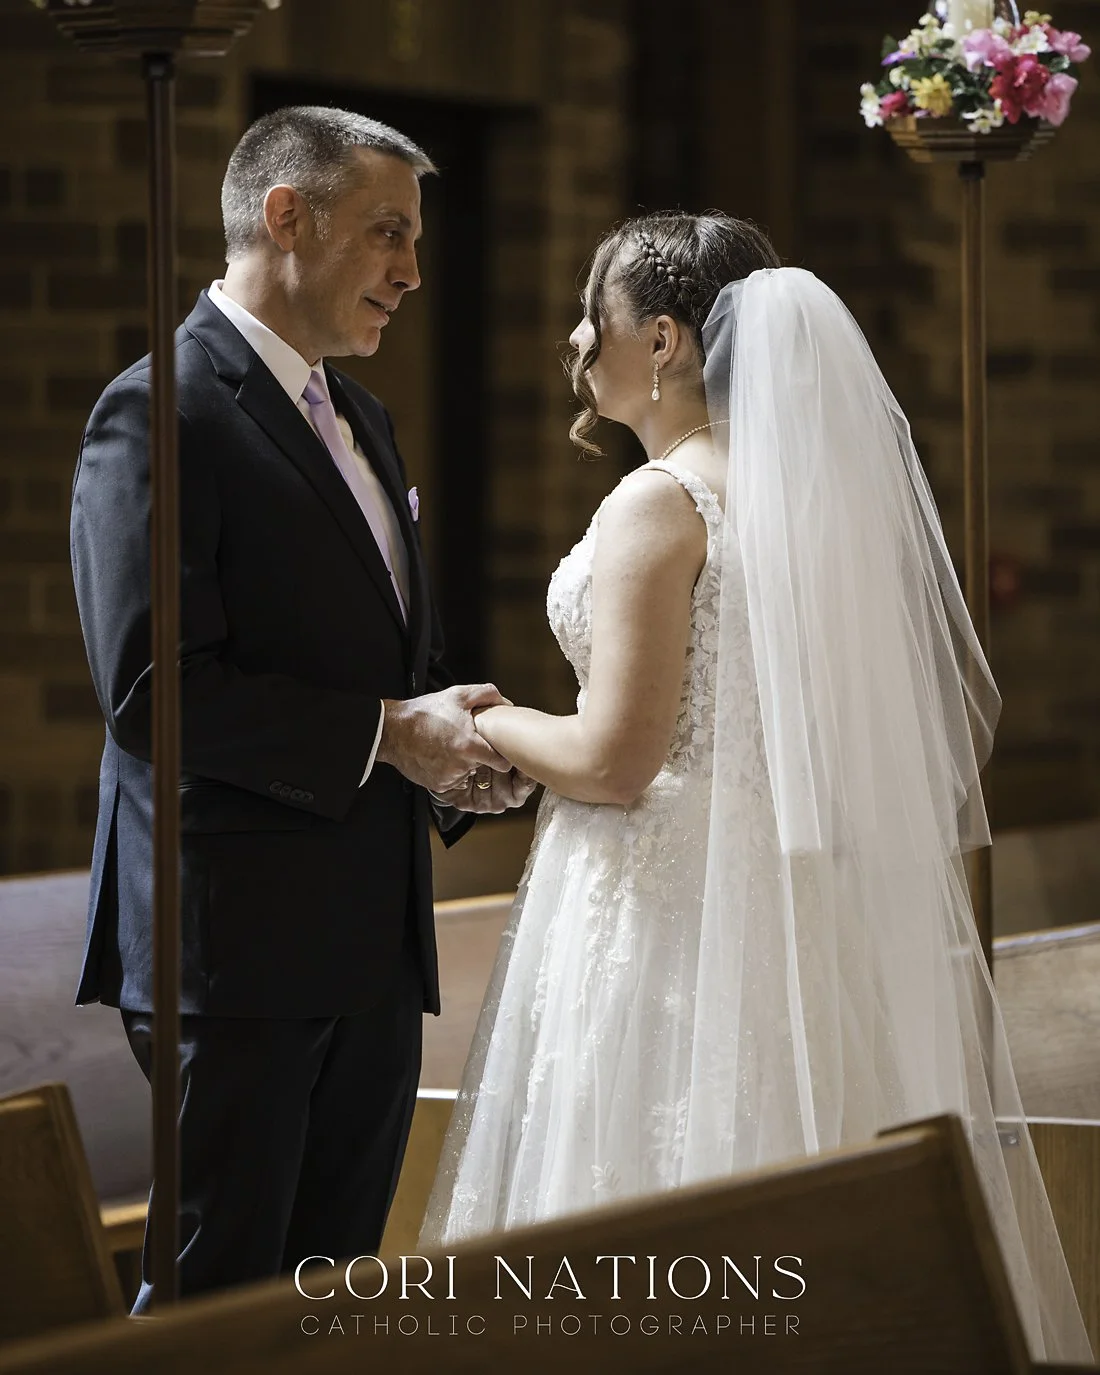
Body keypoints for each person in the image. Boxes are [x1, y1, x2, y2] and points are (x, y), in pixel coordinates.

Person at [420, 211, 1092, 1362]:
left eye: (599, 310)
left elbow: (613, 759)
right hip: (786, 910)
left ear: (666, 341)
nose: (579, 335)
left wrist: (482, 719)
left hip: (665, 916)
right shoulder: (811, 505)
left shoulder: (660, 501)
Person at [70, 105, 534, 1309]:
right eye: (388, 233)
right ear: (286, 215)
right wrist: (390, 734)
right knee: (211, 1307)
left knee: (332, 1302)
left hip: (372, 943)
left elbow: (373, 658)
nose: (412, 272)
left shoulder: (360, 417)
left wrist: (450, 755)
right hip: (232, 956)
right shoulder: (160, 410)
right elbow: (151, 694)